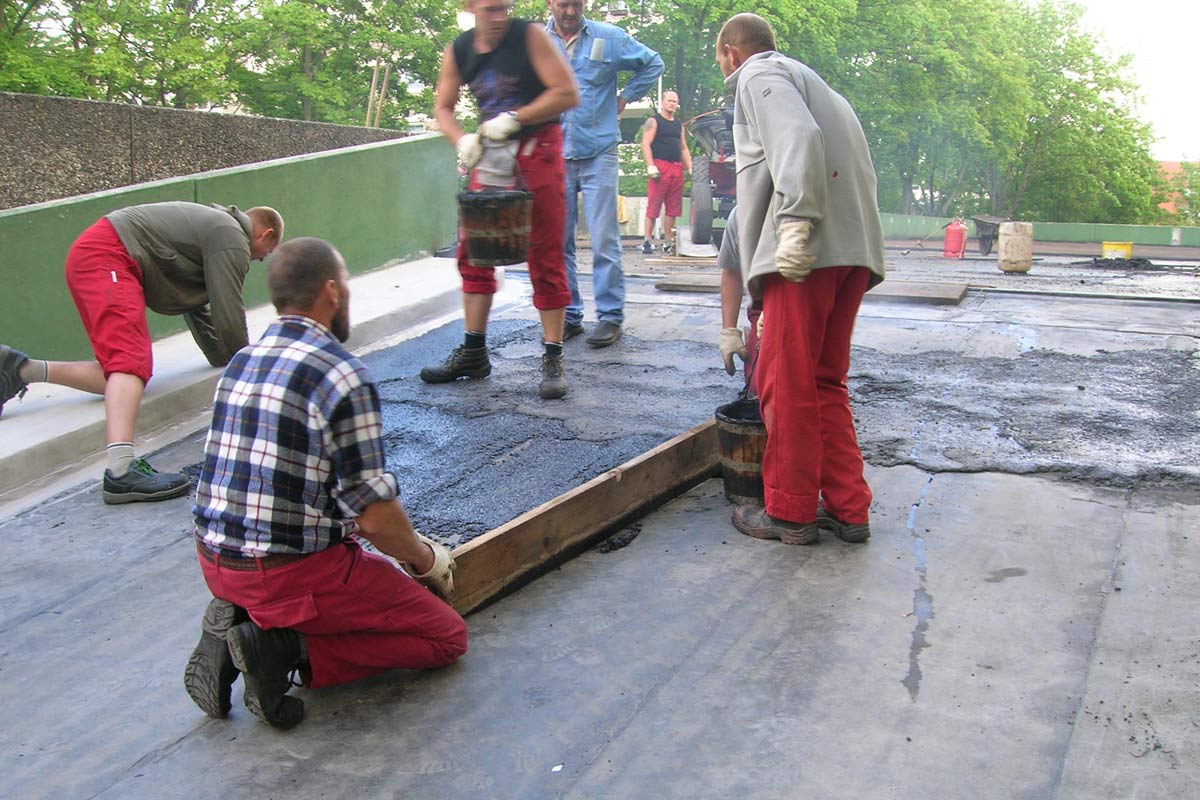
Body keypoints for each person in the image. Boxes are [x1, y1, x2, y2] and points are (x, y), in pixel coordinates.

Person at [186, 237, 466, 730]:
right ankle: (283, 646)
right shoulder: (340, 374)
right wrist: (424, 559)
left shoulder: (243, 360)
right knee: (444, 638)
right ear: (332, 292)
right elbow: (374, 515)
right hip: (283, 573)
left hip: (213, 559)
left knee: (335, 555)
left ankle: (241, 616)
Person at [716, 13, 886, 545]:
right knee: (823, 381)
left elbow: (797, 136)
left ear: (729, 52)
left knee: (786, 384)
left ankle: (789, 512)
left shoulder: (758, 74)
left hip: (805, 257)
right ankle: (848, 508)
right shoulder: (821, 87)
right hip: (851, 254)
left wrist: (795, 222)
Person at [0, 201, 282, 504]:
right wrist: (252, 374)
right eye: (267, 252)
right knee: (131, 363)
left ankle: (19, 370)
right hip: (108, 256)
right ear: (265, 235)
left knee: (123, 374)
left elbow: (201, 308)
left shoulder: (212, 231)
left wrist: (222, 357)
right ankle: (121, 471)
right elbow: (229, 312)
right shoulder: (231, 236)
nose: (262, 260)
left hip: (98, 256)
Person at [423, 0, 580, 400]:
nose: (498, 18)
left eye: (504, 8)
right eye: (490, 9)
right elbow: (442, 107)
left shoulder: (529, 36)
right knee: (474, 250)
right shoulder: (458, 50)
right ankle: (474, 352)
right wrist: (460, 139)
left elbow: (566, 93)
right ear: (470, 6)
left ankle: (552, 357)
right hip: (490, 152)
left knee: (545, 251)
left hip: (537, 148)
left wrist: (516, 117)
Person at [546, 0, 663, 348]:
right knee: (558, 240)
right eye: (564, 4)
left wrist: (626, 97)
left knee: (604, 238)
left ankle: (610, 317)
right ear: (550, 3)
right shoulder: (537, 41)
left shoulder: (609, 37)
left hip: (599, 150)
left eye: (577, 4)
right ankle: (569, 315)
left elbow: (652, 63)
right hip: (555, 153)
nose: (571, 11)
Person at [641, 90, 692, 256]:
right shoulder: (654, 121)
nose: (672, 104)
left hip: (676, 168)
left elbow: (683, 147)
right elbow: (646, 144)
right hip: (660, 166)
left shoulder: (678, 125)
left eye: (675, 101)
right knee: (654, 205)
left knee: (673, 208)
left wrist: (690, 167)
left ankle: (668, 241)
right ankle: (647, 240)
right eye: (669, 101)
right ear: (662, 102)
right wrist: (650, 166)